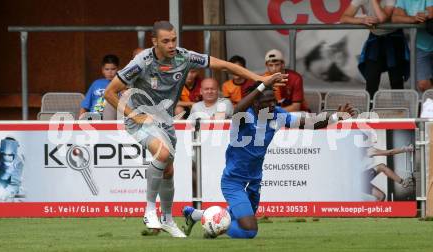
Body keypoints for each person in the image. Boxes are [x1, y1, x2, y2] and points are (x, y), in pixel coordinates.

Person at [104, 20, 285, 238]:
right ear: (154, 42)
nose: (172, 45)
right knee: (162, 153)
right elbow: (110, 93)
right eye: (166, 41)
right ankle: (150, 210)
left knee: (168, 170)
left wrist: (260, 79)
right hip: (138, 118)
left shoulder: (184, 57)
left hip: (164, 121)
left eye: (174, 40)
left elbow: (225, 66)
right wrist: (134, 115)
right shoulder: (141, 62)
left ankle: (168, 220)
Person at [182, 74, 354, 239]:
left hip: (254, 180)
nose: (272, 104)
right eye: (267, 101)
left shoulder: (278, 115)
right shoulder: (244, 117)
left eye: (274, 100)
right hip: (234, 182)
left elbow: (309, 123)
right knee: (249, 230)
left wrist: (334, 117)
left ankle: (196, 215)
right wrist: (264, 83)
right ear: (255, 103)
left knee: (240, 220)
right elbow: (238, 108)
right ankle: (212, 225)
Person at [341, 0, 409, 99]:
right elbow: (343, 18)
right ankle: (369, 112)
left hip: (394, 37)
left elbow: (382, 18)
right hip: (375, 38)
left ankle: (399, 111)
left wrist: (373, 1)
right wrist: (362, 20)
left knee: (396, 80)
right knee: (371, 78)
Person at [392, 0, 433, 92]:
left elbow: (431, 13)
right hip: (420, 46)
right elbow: (395, 18)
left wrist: (422, 16)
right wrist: (413, 19)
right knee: (423, 84)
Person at [361, 133, 415, 201]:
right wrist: (406, 149)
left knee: (381, 196)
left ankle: (373, 211)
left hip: (356, 184)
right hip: (360, 178)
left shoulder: (356, 150)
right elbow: (389, 153)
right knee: (382, 167)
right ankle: (403, 183)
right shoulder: (369, 151)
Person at [0, 137, 24, 201]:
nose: (6, 158)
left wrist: (6, 192)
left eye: (10, 156)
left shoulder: (18, 163)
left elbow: (15, 183)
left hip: (6, 184)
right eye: (4, 155)